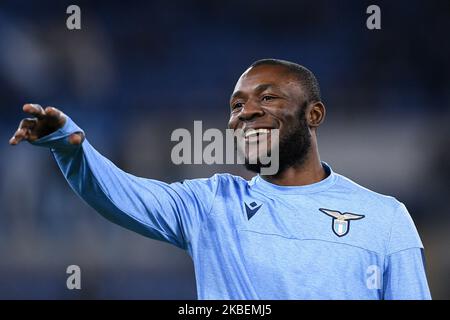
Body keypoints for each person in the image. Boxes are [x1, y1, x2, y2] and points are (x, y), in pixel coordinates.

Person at [9, 59, 431, 299]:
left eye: (267, 98)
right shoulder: (213, 204)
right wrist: (68, 145)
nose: (244, 112)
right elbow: (118, 194)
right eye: (236, 104)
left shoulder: (385, 218)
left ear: (313, 115)